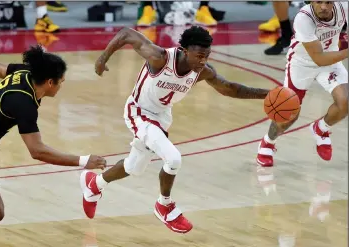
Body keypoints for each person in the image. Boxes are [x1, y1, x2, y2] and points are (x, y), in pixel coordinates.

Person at [79, 26, 269, 234]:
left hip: (161, 117)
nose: (203, 61)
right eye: (199, 56)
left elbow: (230, 89)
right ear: (185, 51)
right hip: (139, 112)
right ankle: (164, 205)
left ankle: (94, 184)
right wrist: (103, 58)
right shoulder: (160, 58)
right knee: (174, 159)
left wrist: (268, 95)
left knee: (134, 167)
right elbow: (126, 33)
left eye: (206, 56)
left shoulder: (202, 71)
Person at [0, 45, 107, 234]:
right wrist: (84, 161)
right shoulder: (24, 103)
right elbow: (37, 151)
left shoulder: (26, 72)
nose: (62, 84)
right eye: (61, 81)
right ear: (50, 82)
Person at [256, 1, 348, 167]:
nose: (324, 7)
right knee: (288, 112)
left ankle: (321, 129)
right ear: (310, 1)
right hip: (302, 63)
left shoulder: (344, 8)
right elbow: (318, 59)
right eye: (319, 2)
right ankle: (267, 142)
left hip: (331, 60)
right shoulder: (303, 18)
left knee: (345, 102)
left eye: (328, 2)